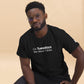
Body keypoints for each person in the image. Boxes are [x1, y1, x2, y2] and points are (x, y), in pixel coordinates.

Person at [14, 1, 84, 84]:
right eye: (30, 18)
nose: (34, 20)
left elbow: (81, 55)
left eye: (37, 16)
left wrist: (73, 82)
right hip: (38, 78)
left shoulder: (58, 34)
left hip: (59, 79)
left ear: (45, 16)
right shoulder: (25, 39)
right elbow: (25, 66)